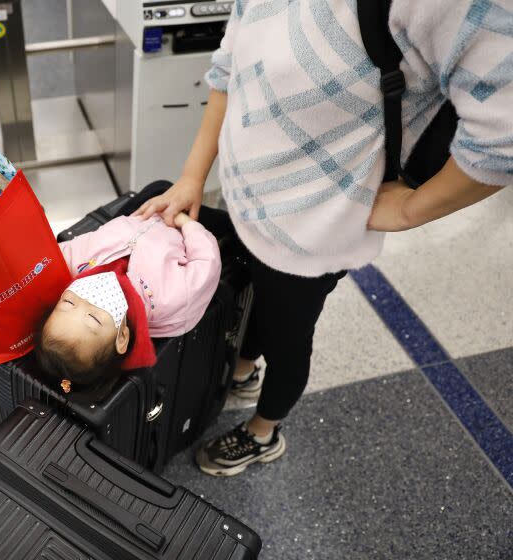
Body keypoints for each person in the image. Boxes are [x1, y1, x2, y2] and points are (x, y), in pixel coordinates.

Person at [133, 0, 510, 477]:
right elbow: (230, 65)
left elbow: (503, 136)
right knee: (253, 299)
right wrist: (192, 177)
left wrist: (411, 209)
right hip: (249, 201)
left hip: (315, 230)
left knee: (289, 334)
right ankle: (244, 368)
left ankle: (264, 430)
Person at [36, 203, 222, 394]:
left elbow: (49, 258)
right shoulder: (168, 298)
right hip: (184, 221)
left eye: (68, 302)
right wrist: (185, 223)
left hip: (141, 210)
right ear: (122, 336)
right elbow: (207, 262)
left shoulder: (75, 265)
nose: (86, 298)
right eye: (93, 318)